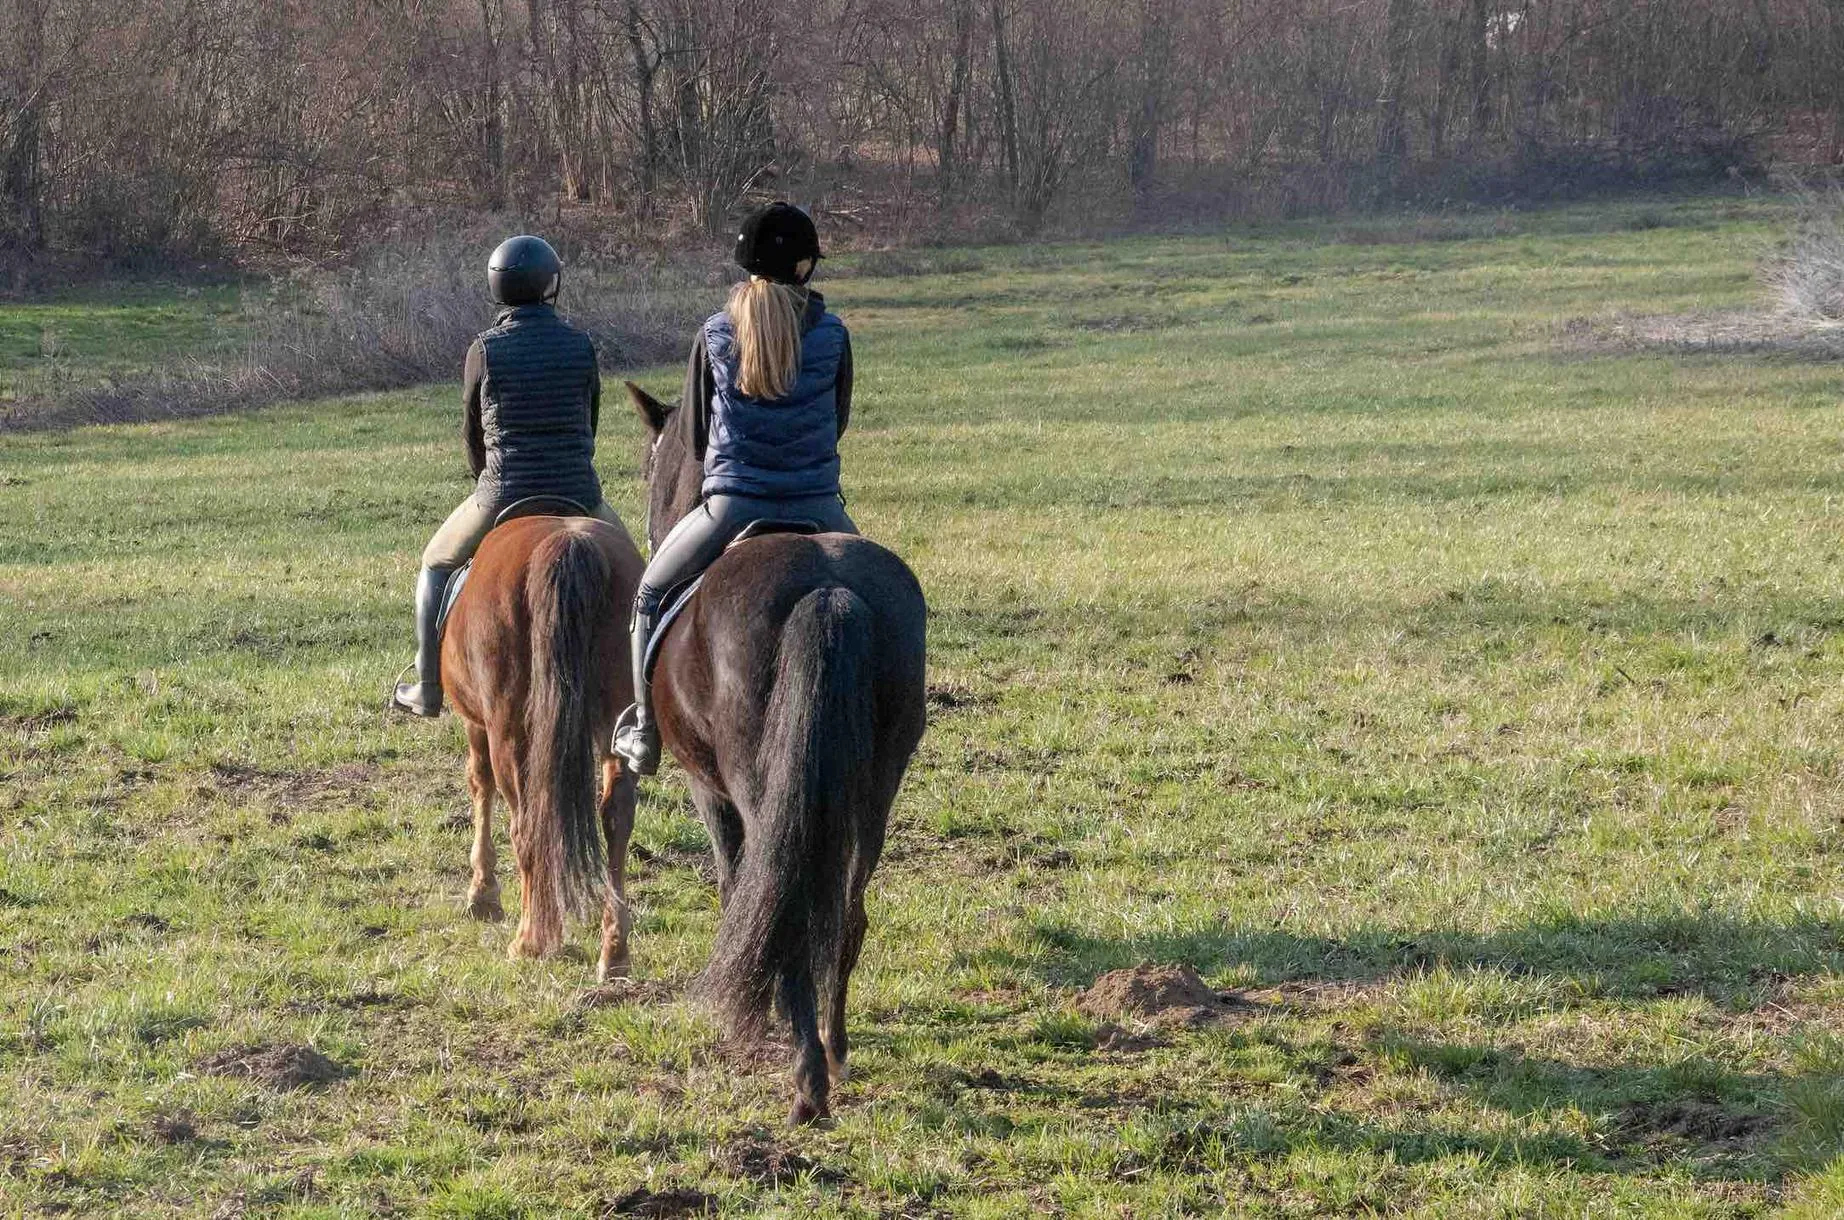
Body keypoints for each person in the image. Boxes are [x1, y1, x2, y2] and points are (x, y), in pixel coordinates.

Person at [612, 202, 855, 775]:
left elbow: (694, 438)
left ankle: (644, 732)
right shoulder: (835, 334)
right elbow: (837, 420)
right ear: (804, 269)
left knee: (648, 596)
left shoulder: (716, 333)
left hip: (731, 506)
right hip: (819, 504)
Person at [392, 234, 635, 717]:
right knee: (637, 575)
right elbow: (590, 421)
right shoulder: (580, 346)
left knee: (436, 563)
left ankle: (427, 685)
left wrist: (484, 479)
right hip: (578, 494)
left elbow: (473, 434)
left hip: (502, 491)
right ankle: (639, 699)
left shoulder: (484, 350)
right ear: (553, 285)